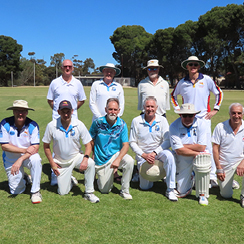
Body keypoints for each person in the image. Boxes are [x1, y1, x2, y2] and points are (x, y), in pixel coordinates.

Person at [171, 56, 224, 187]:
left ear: (199, 66)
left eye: (195, 64)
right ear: (187, 67)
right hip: (187, 117)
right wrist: (178, 109)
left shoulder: (206, 79)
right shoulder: (182, 82)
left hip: (203, 118)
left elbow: (219, 93)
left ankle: (211, 176)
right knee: (188, 145)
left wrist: (215, 109)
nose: (193, 66)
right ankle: (191, 174)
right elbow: (173, 95)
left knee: (206, 147)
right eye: (191, 64)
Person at [42, 100, 99, 203]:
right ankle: (70, 181)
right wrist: (52, 163)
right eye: (63, 111)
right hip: (60, 162)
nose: (66, 114)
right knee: (63, 192)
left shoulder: (79, 124)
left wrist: (85, 159)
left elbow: (88, 144)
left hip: (76, 157)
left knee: (90, 163)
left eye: (68, 111)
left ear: (72, 111)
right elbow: (46, 146)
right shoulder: (52, 125)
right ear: (58, 112)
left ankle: (89, 193)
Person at [129, 96, 177, 201]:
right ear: (143, 107)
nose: (150, 109)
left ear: (156, 108)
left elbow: (167, 140)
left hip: (159, 153)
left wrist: (155, 152)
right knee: (145, 187)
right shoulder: (136, 121)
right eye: (147, 106)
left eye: (152, 107)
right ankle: (141, 173)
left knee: (169, 156)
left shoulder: (162, 120)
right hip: (143, 155)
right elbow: (132, 142)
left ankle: (171, 189)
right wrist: (144, 155)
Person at [47, 59, 86, 185]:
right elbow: (50, 100)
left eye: (69, 66)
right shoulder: (55, 83)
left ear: (73, 68)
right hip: (57, 119)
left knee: (72, 147)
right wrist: (59, 112)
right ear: (62, 68)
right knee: (56, 147)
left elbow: (82, 100)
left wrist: (71, 111)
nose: (67, 68)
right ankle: (55, 175)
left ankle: (69, 173)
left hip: (72, 119)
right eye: (65, 66)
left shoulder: (78, 83)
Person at [89, 98, 134, 200]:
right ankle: (103, 177)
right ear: (105, 109)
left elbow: (126, 145)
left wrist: (118, 160)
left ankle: (125, 190)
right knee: (105, 190)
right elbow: (90, 139)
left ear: (119, 111)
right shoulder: (97, 122)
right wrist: (93, 152)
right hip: (101, 159)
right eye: (110, 109)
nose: (112, 112)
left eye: (115, 109)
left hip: (115, 155)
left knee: (129, 161)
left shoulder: (122, 124)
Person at [0, 100, 42, 204]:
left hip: (28, 156)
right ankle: (26, 178)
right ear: (13, 111)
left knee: (36, 159)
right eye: (17, 110)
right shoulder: (5, 123)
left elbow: (35, 147)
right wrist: (24, 150)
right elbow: (4, 146)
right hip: (10, 158)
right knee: (16, 191)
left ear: (27, 112)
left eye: (23, 111)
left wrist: (21, 158)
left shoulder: (33, 125)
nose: (20, 114)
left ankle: (35, 191)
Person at [169, 103, 211, 206]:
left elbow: (202, 147)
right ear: (180, 115)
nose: (188, 118)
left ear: (195, 115)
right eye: (185, 115)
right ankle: (192, 176)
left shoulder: (202, 124)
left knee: (204, 156)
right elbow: (179, 151)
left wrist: (183, 146)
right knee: (182, 191)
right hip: (182, 157)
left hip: (199, 155)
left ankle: (202, 194)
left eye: (190, 115)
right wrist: (195, 151)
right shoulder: (174, 126)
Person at [212, 103, 244, 207]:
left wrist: (242, 163)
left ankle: (243, 196)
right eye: (233, 113)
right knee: (226, 195)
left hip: (241, 161)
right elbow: (215, 148)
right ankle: (231, 182)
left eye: (239, 113)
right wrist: (218, 168)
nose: (236, 116)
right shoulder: (220, 127)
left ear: (242, 114)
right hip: (226, 163)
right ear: (229, 114)